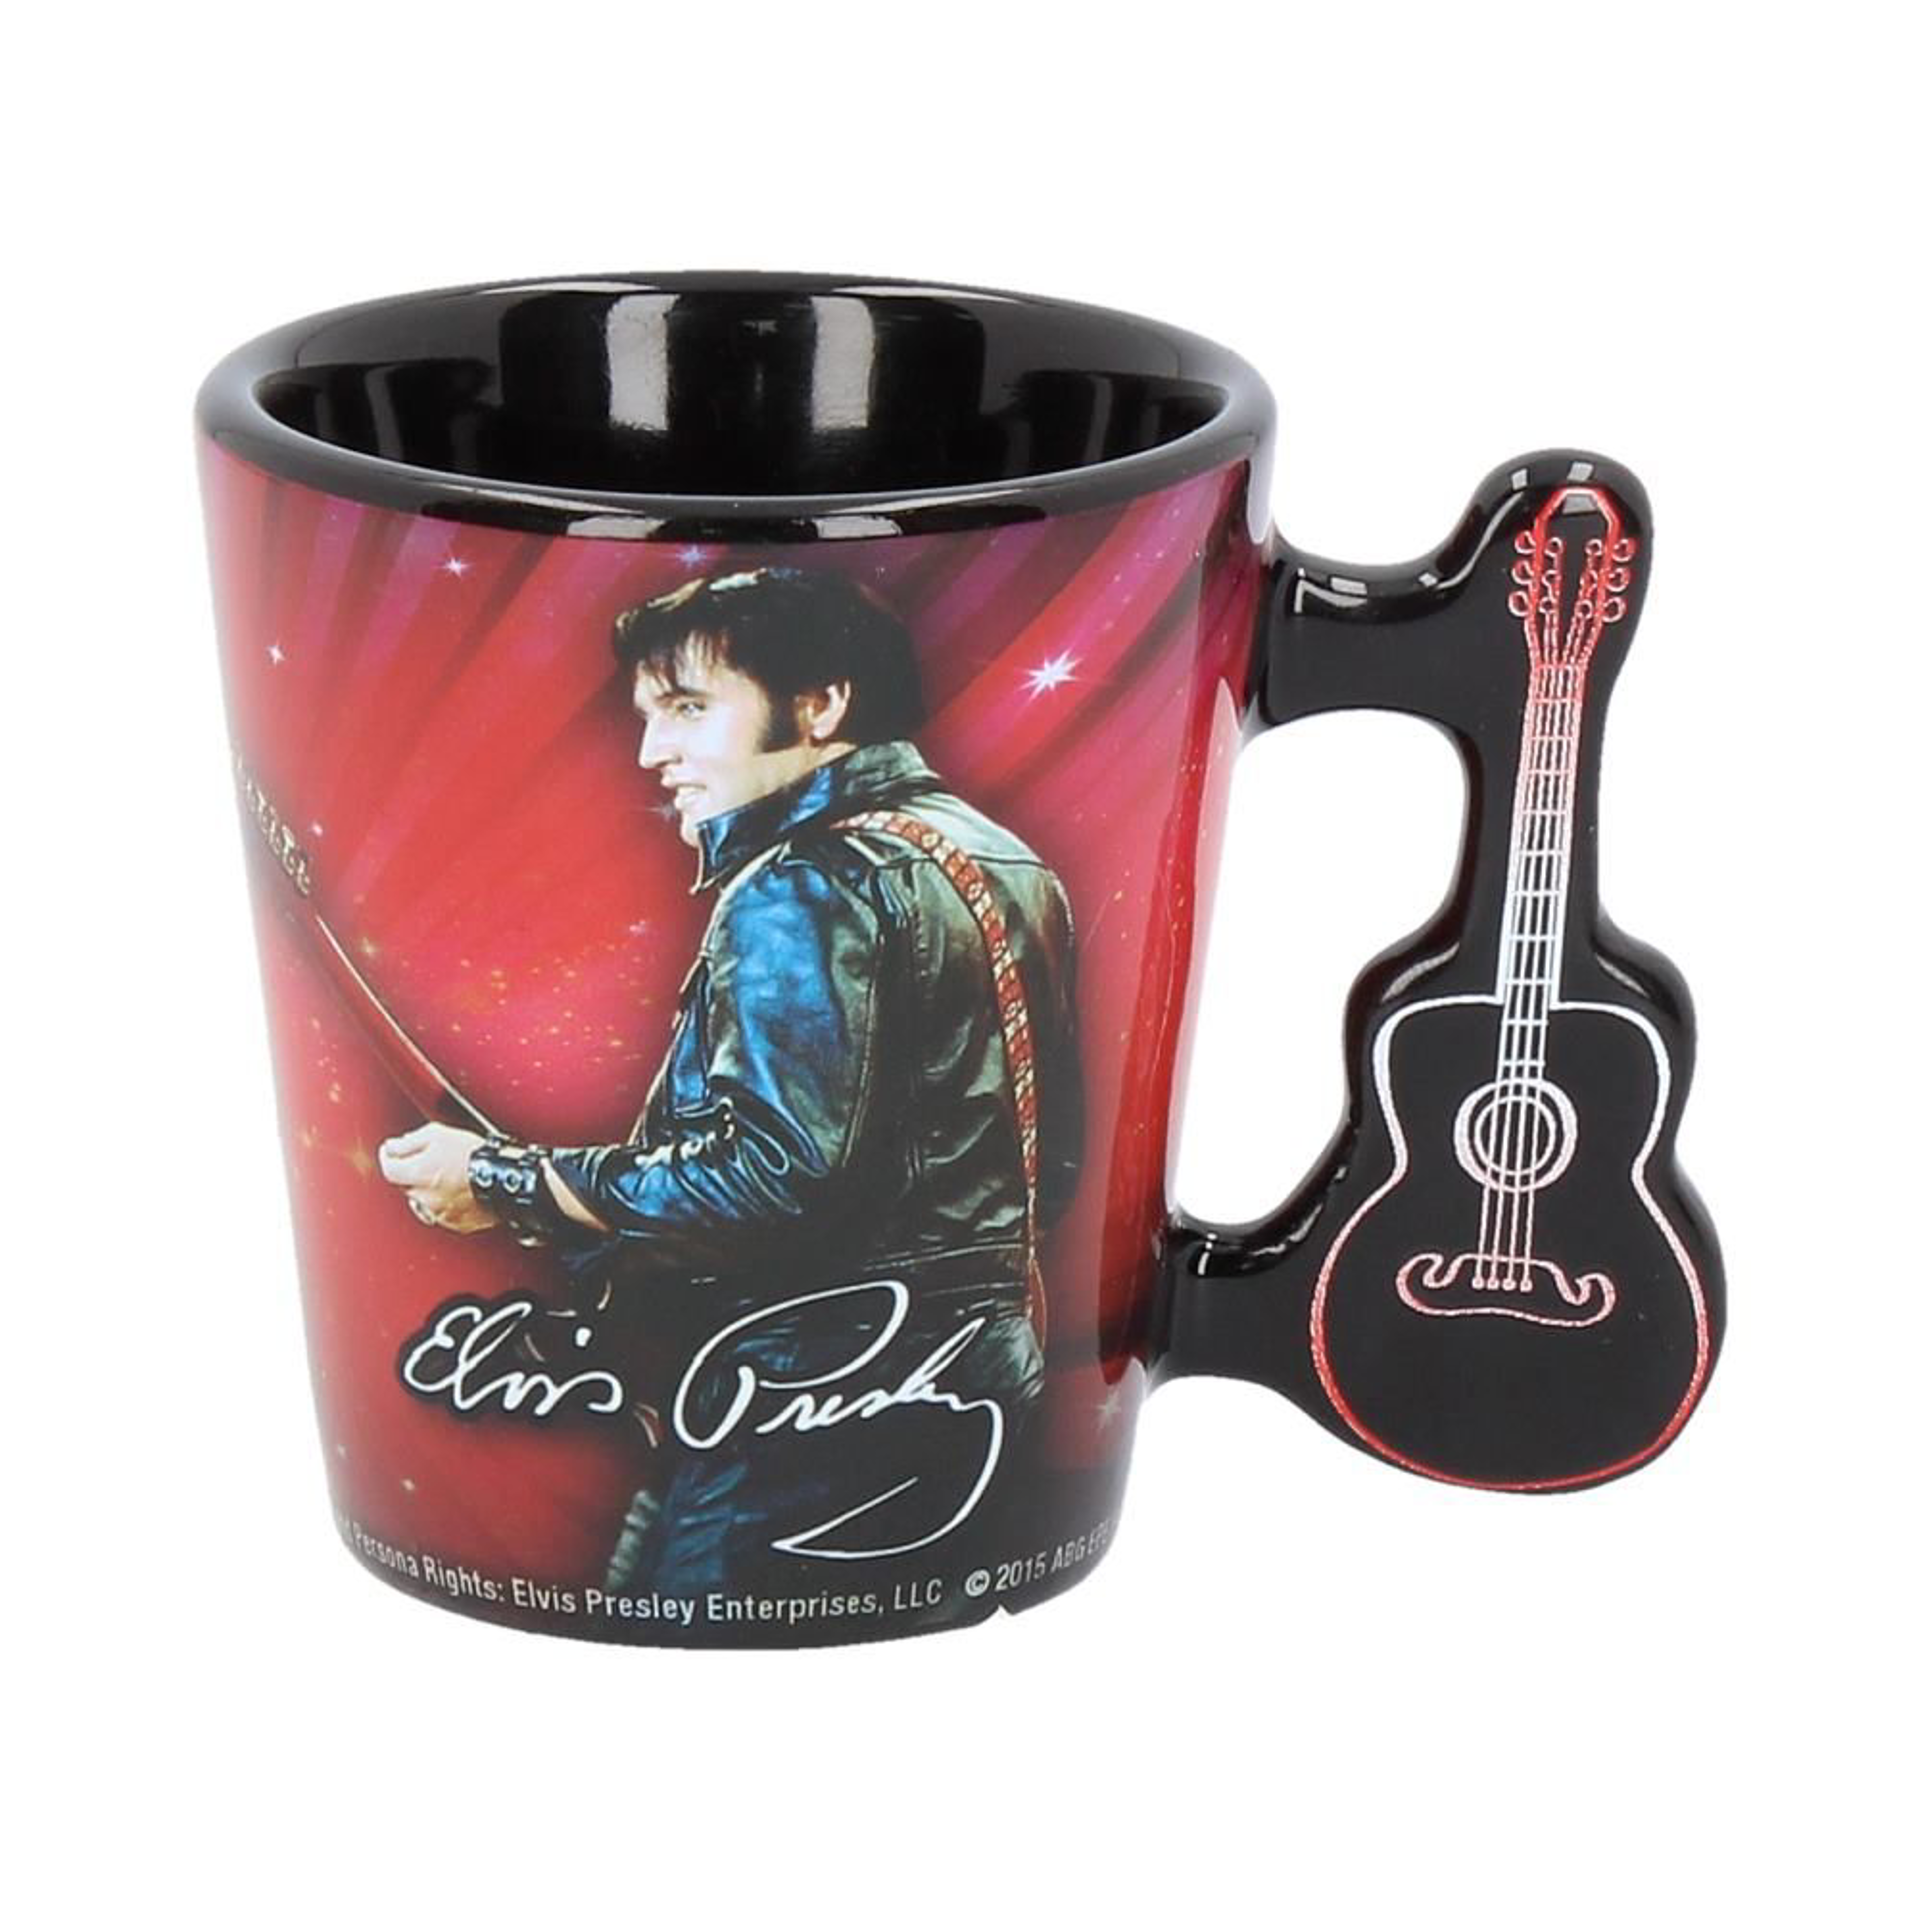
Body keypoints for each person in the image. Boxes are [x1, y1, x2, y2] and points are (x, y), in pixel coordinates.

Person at [379, 566, 1082, 1597]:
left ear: (821, 704)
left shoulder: (799, 883)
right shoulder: (1013, 865)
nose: (651, 753)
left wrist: (502, 1178)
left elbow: (768, 1179)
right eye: (648, 716)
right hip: (973, 1378)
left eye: (688, 708)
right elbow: (1048, 1168)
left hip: (798, 1402)